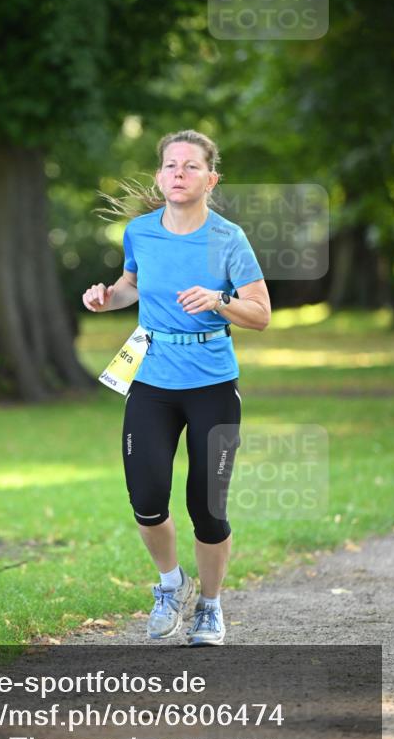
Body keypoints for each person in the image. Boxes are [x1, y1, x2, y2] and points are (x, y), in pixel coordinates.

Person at [82, 129, 271, 645]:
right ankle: (171, 584)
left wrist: (218, 301)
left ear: (211, 179)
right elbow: (131, 286)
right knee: (145, 499)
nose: (178, 173)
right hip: (152, 381)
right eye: (170, 165)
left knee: (208, 508)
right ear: (160, 176)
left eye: (190, 166)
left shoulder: (228, 239)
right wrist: (106, 298)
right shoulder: (141, 232)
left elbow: (261, 314)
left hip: (212, 383)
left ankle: (210, 607)